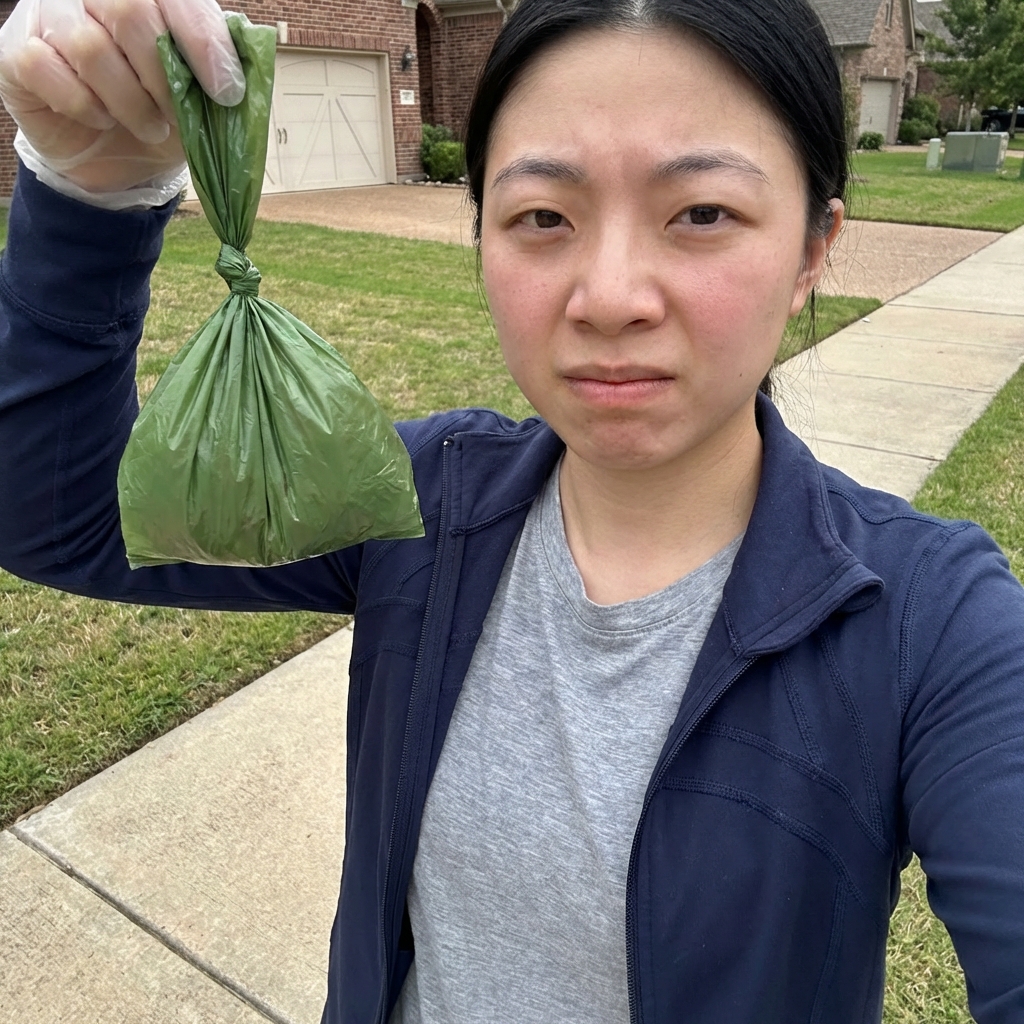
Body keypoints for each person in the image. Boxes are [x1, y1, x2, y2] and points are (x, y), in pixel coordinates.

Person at [0, 0, 1022, 1021]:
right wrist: (92, 193)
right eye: (542, 216)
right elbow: (64, 520)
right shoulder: (425, 502)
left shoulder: (931, 621)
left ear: (812, 246)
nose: (609, 295)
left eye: (701, 212)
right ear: (480, 231)